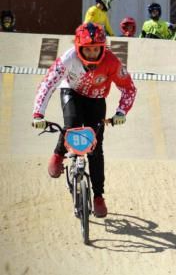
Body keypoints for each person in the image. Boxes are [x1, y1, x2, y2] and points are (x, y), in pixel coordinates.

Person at [31, 23, 137, 218]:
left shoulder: (112, 62)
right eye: (87, 50)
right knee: (71, 126)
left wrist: (121, 112)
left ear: (103, 48)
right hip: (71, 91)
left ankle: (98, 196)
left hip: (96, 99)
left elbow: (129, 88)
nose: (91, 54)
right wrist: (38, 113)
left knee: (95, 147)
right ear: (79, 48)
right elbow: (48, 83)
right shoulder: (68, 58)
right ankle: (58, 154)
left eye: (96, 49)